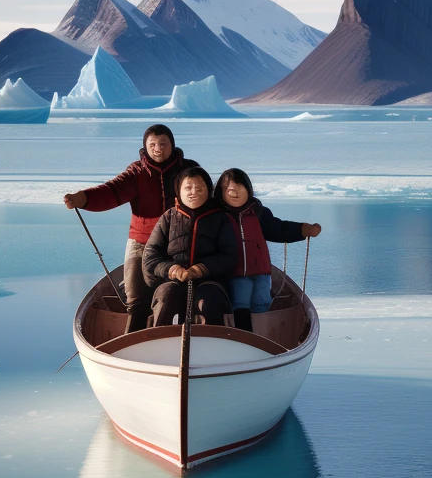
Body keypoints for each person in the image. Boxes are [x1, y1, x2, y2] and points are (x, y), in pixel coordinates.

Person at [63, 124, 198, 333]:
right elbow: (112, 191)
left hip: (180, 243)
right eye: (152, 144)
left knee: (178, 297)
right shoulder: (137, 172)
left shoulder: (188, 170)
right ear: (145, 146)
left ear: (172, 144)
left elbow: (206, 196)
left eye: (163, 144)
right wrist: (84, 198)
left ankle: (179, 341)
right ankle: (130, 342)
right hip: (141, 242)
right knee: (136, 300)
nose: (158, 149)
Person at [215, 168, 321, 332]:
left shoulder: (258, 213)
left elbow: (278, 229)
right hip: (235, 272)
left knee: (261, 302)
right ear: (220, 192)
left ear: (248, 189)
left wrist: (303, 230)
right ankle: (245, 338)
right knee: (240, 302)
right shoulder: (218, 216)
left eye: (239, 188)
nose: (234, 193)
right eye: (229, 189)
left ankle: (262, 339)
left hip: (261, 272)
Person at [142, 167, 237, 327]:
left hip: (211, 281)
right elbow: (150, 258)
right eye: (188, 188)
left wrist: (202, 269)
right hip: (173, 280)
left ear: (209, 190)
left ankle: (216, 344)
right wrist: (172, 270)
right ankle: (156, 342)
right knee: (166, 297)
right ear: (179, 190)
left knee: (208, 302)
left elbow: (230, 257)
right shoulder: (168, 217)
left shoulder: (220, 218)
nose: (194, 192)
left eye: (200, 188)